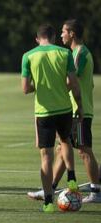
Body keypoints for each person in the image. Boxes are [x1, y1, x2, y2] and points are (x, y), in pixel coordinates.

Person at [27, 19, 100, 203]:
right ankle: (49, 189)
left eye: (64, 32)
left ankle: (96, 191)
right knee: (61, 149)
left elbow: (71, 81)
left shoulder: (79, 53)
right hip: (72, 108)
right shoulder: (73, 52)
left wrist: (49, 87)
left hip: (77, 109)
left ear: (72, 34)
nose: (61, 35)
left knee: (84, 150)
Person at [21, 24, 83, 212]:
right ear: (54, 37)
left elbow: (25, 88)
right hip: (64, 108)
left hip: (44, 112)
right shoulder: (65, 54)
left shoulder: (28, 56)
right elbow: (73, 83)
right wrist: (79, 106)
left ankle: (48, 201)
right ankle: (71, 177)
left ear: (37, 38)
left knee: (46, 156)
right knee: (66, 142)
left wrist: (38, 87)